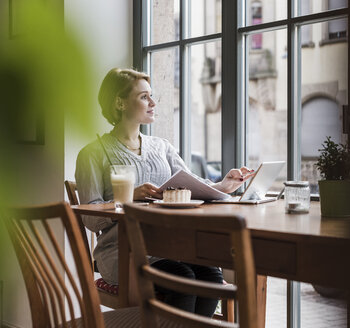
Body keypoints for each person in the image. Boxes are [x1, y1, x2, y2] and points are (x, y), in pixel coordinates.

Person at [75, 68, 254, 317]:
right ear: (119, 102)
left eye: (152, 96)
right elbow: (90, 219)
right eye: (144, 97)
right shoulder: (92, 154)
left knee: (211, 275)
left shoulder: (161, 147)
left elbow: (193, 185)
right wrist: (127, 198)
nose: (153, 103)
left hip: (170, 247)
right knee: (183, 278)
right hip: (122, 253)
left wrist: (223, 185)